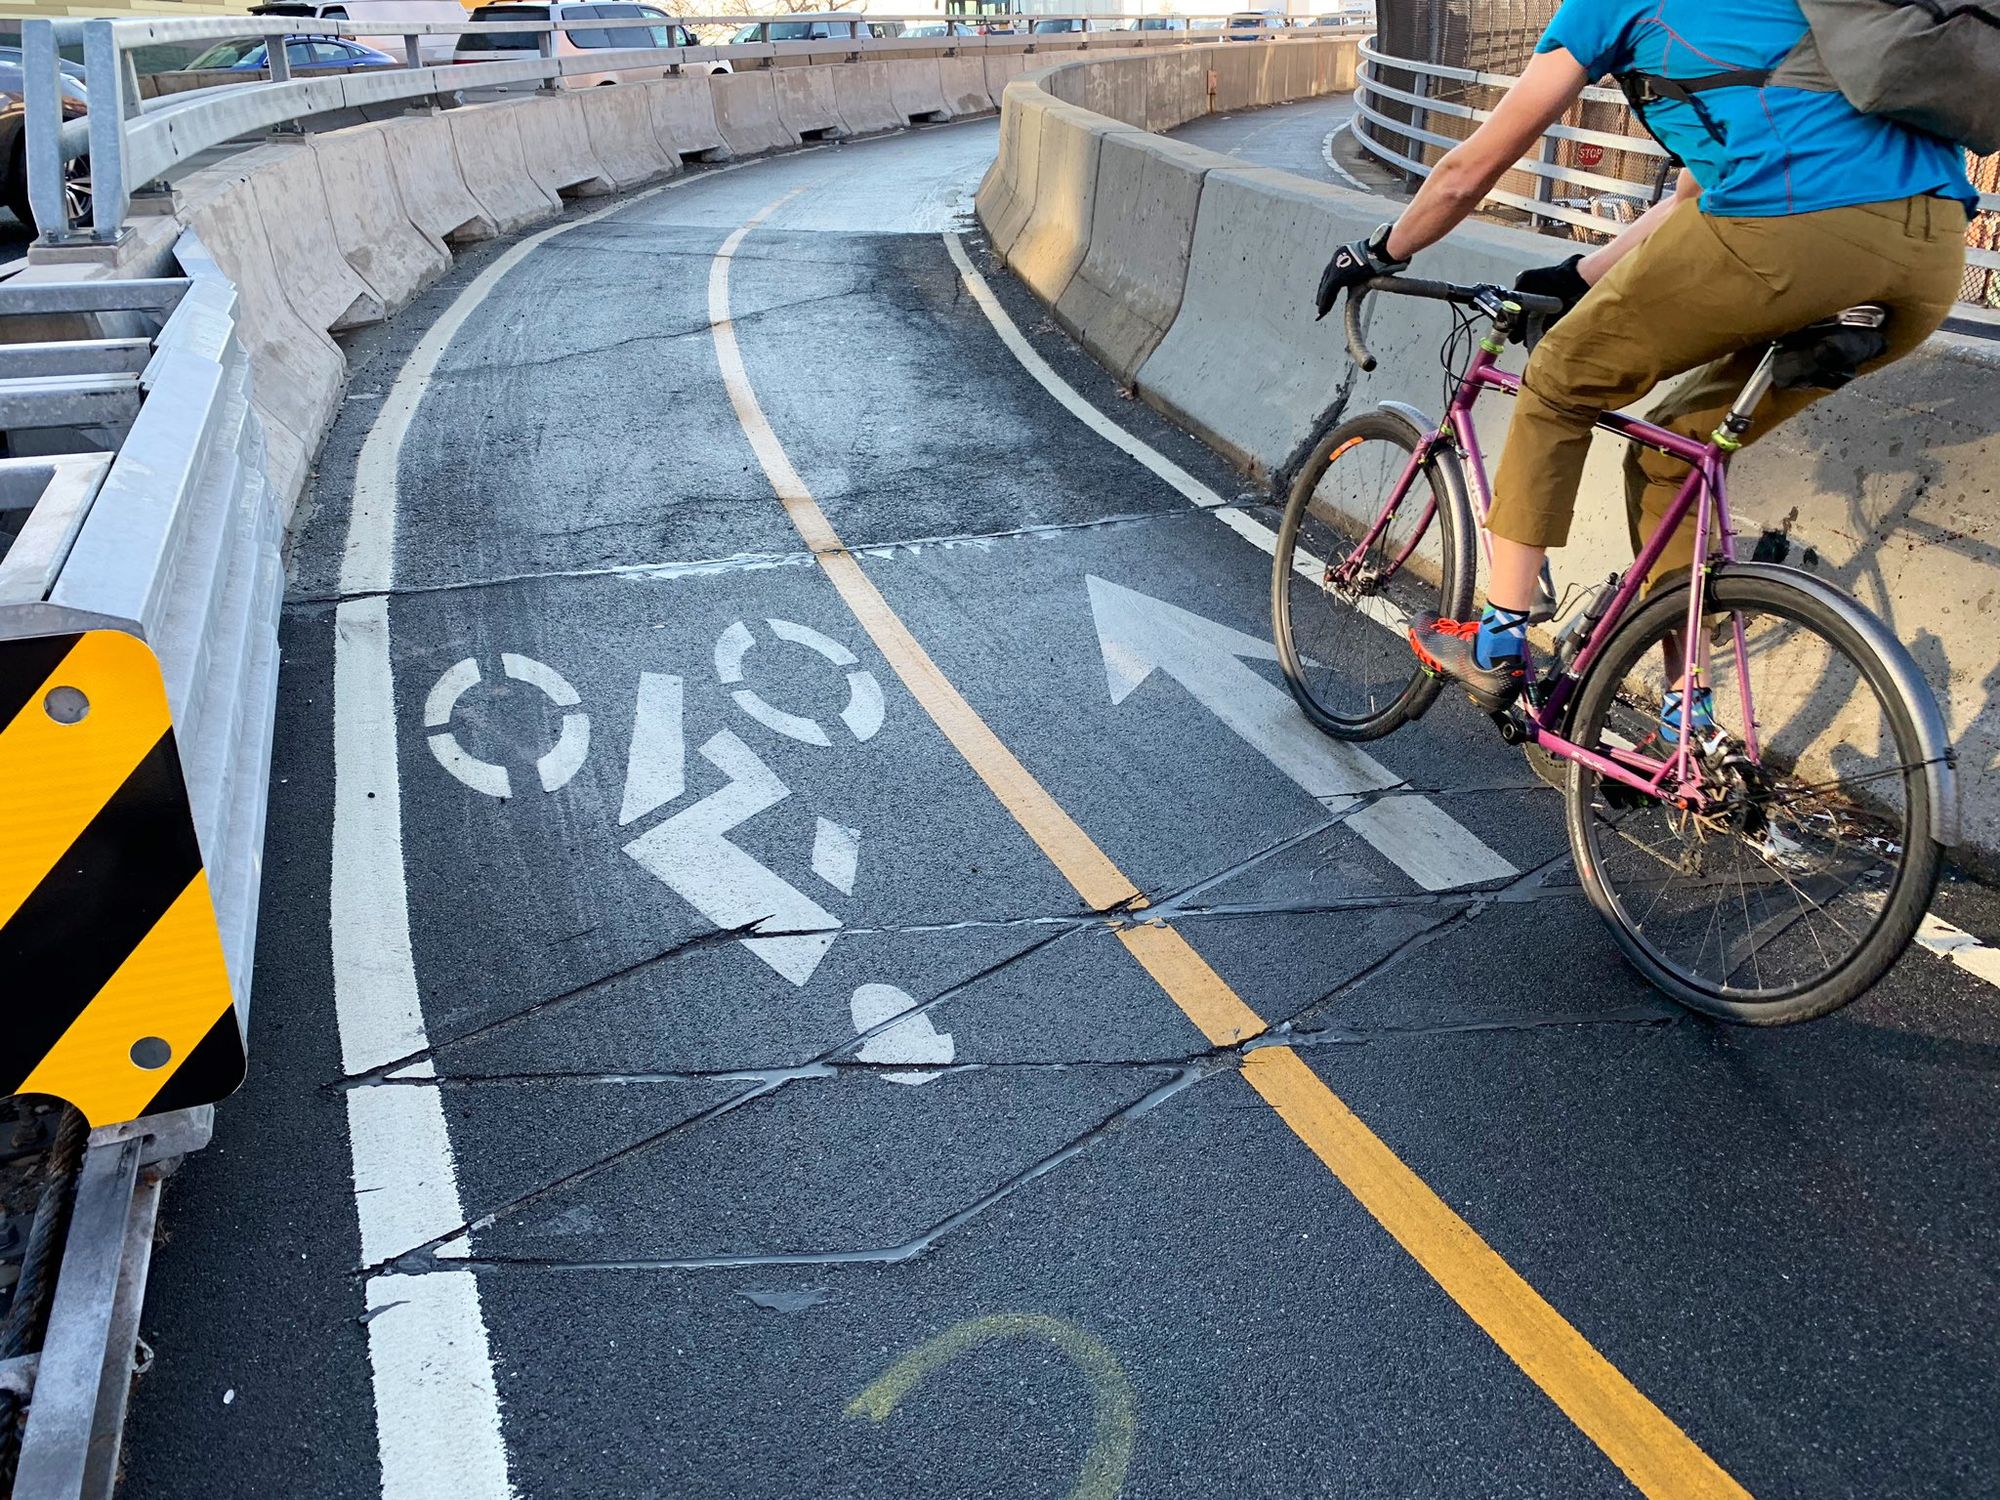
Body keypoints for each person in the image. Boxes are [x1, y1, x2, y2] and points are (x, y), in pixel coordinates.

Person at [1313, 0, 1975, 731]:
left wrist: (1380, 252)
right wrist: (1580, 276)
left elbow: (1468, 173)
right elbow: (1699, 194)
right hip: (1931, 256)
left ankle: (1498, 642)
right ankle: (1684, 716)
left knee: (1559, 380)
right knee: (1674, 451)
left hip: (1797, 230)